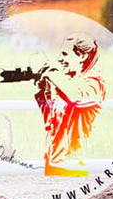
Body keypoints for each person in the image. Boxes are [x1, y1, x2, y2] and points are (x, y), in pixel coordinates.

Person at [33, 34, 105, 177]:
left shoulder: (94, 82)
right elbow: (51, 123)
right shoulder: (68, 82)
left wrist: (52, 75)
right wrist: (43, 92)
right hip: (57, 163)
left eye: (65, 54)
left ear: (82, 57)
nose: (60, 59)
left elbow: (77, 99)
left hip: (78, 166)